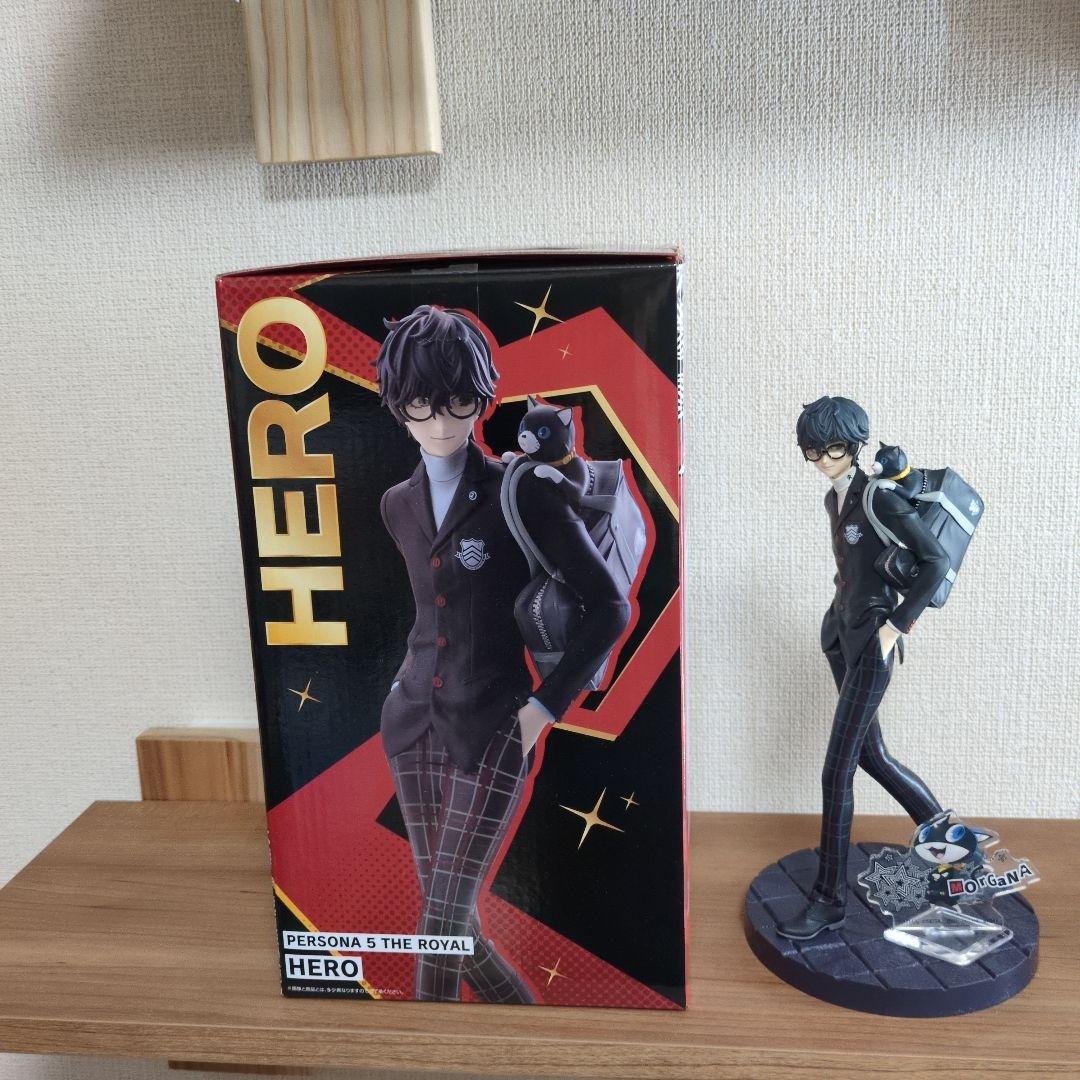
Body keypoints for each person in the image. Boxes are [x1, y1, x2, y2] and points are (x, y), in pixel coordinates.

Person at [375, 305, 628, 999]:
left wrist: (543, 709)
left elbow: (611, 607)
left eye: (458, 401)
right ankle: (527, 1027)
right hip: (410, 725)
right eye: (421, 403)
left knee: (440, 926)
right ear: (398, 404)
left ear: (482, 398)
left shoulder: (519, 491)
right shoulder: (396, 504)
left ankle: (428, 1049)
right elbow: (429, 613)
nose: (440, 420)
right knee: (455, 925)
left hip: (494, 724)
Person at [778, 396, 950, 941]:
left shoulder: (878, 496)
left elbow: (936, 561)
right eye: (813, 451)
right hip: (842, 635)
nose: (823, 460)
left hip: (873, 644)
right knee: (872, 756)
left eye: (833, 448)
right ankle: (954, 846)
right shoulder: (834, 498)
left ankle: (829, 900)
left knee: (837, 771)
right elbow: (850, 568)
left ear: (853, 446)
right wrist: (834, 619)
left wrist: (894, 627)